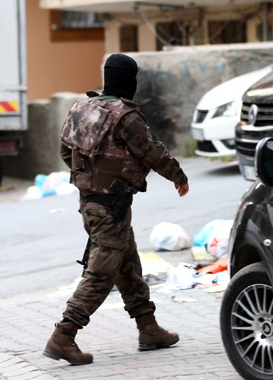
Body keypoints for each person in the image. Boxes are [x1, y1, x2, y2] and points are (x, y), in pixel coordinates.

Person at [43, 53, 189, 365]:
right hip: (110, 205)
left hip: (94, 203)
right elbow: (152, 152)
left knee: (127, 265)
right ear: (131, 80)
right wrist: (178, 176)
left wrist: (91, 180)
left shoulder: (82, 108)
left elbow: (65, 150)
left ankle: (148, 329)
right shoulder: (126, 116)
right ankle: (63, 336)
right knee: (100, 275)